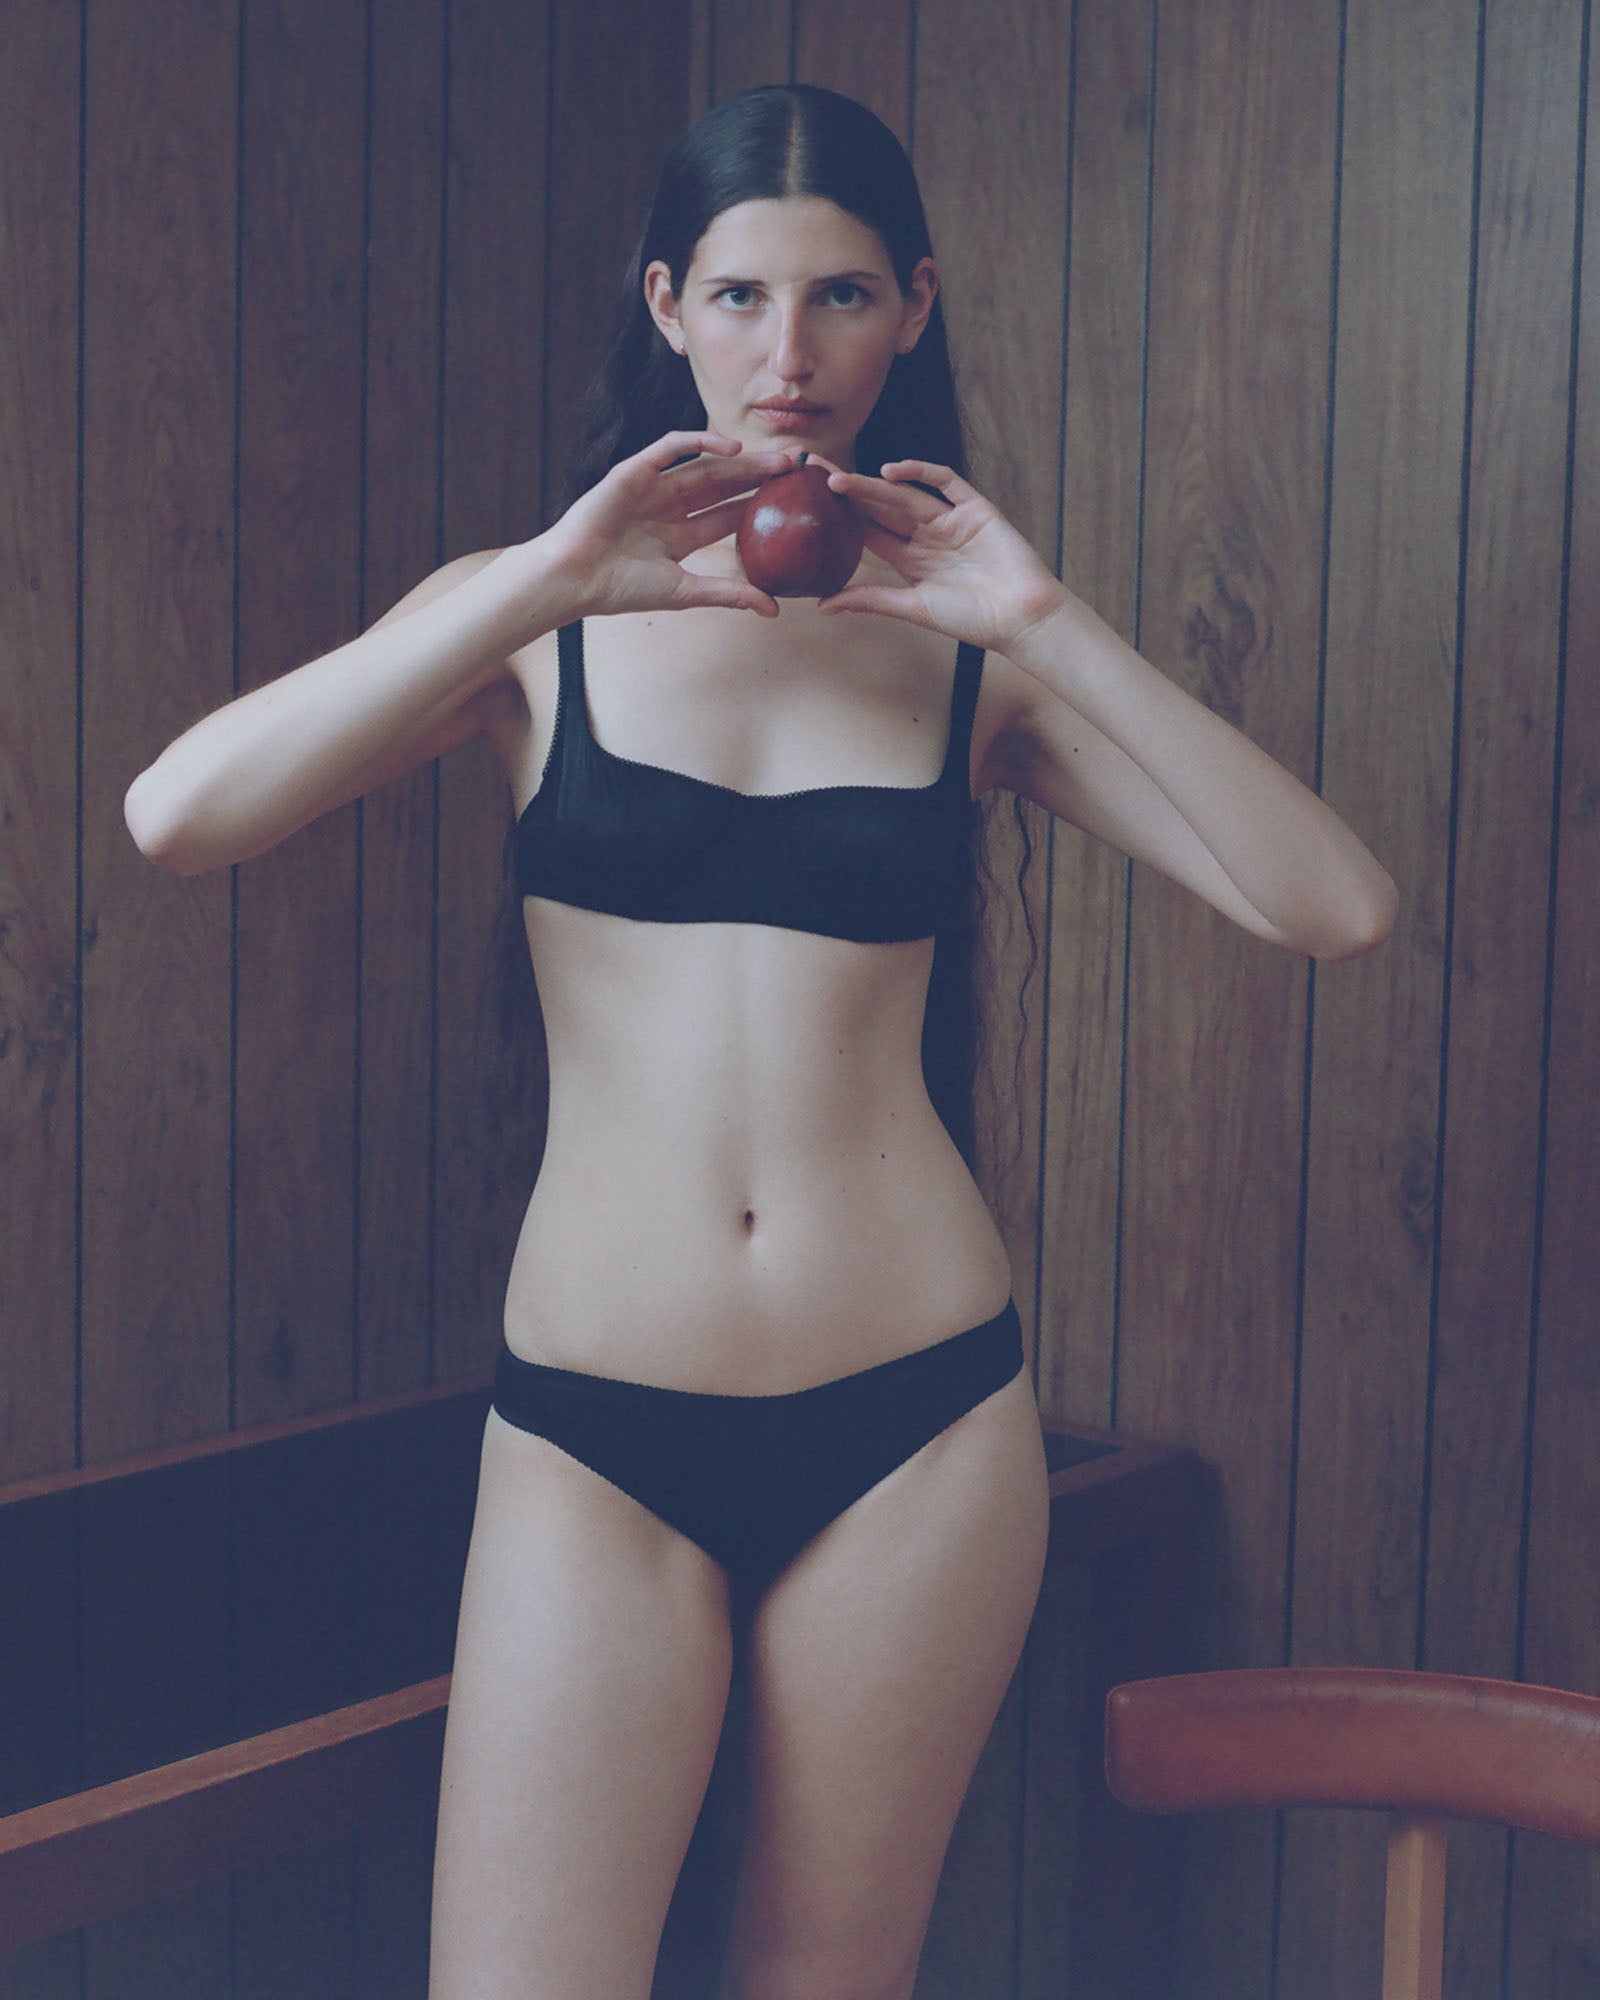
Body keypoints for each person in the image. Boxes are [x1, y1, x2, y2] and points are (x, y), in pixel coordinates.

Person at [125, 82, 1396, 2000]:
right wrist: (543, 579)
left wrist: (1045, 618)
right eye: (737, 298)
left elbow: (1335, 905)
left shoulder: (974, 658)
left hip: (916, 1430)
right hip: (593, 1430)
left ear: (918, 311)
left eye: (843, 298)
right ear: (664, 307)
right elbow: (180, 812)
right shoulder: (527, 627)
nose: (785, 357)